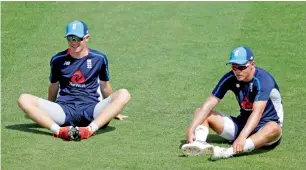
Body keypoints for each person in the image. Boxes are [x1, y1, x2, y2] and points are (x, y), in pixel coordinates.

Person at [18, 20, 131, 141]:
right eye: (70, 38)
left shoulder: (99, 58)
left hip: (92, 110)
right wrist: (47, 109)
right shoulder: (57, 60)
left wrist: (114, 110)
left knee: (124, 94)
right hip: (64, 111)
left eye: (78, 38)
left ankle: (89, 130)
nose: (74, 42)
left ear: (86, 38)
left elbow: (104, 86)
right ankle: (60, 131)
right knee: (23, 99)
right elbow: (53, 86)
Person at [181, 46, 283, 160]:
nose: (237, 71)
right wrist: (191, 129)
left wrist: (242, 137)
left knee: (274, 128)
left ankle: (227, 152)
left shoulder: (263, 80)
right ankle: (199, 144)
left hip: (264, 131)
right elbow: (209, 103)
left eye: (242, 67)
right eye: (234, 67)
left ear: (252, 64)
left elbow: (257, 113)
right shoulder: (230, 77)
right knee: (200, 112)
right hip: (241, 125)